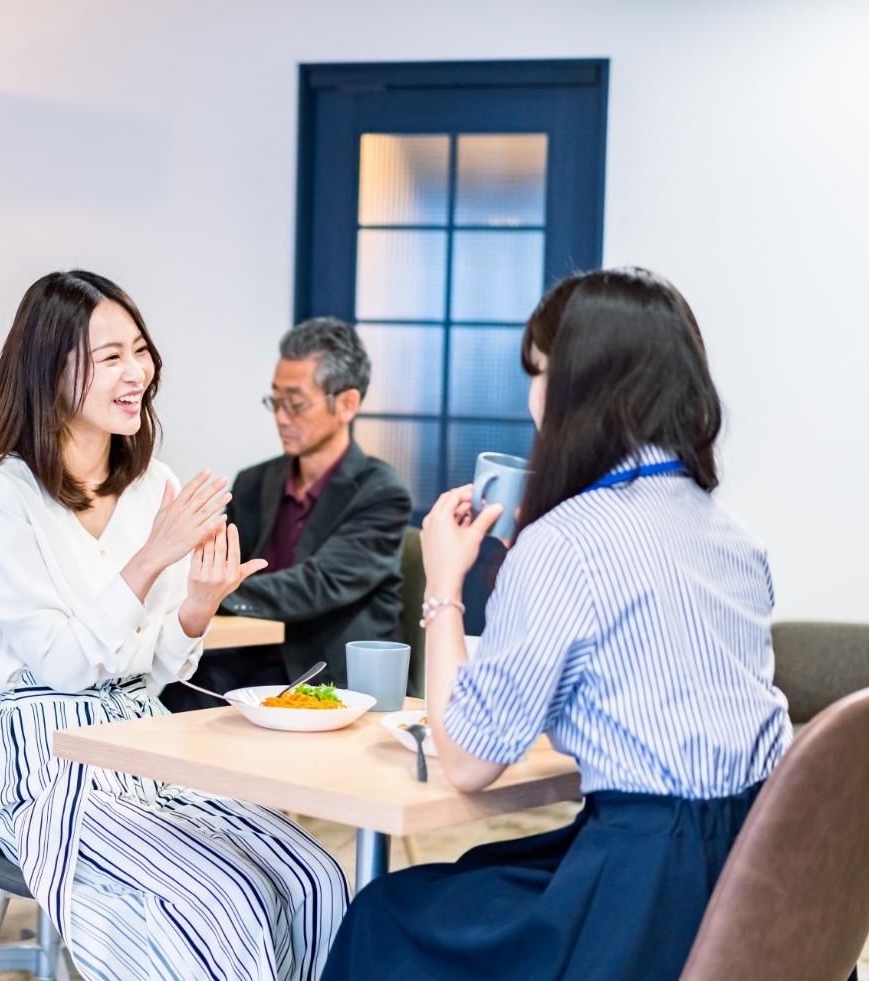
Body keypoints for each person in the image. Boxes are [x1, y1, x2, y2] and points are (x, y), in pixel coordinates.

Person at [321, 268, 794, 980]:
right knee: (475, 874)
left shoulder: (566, 540)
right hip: (760, 867)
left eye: (538, 372)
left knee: (387, 914)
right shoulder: (727, 531)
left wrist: (445, 584)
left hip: (649, 893)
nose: (532, 395)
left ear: (581, 384)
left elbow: (470, 761)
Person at [0, 270, 349, 979]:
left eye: (139, 350)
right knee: (218, 896)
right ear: (50, 371)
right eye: (110, 356)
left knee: (313, 875)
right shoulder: (2, 498)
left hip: (145, 740)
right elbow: (63, 666)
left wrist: (197, 604)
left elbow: (163, 670)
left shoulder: (155, 486)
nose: (137, 371)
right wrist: (152, 556)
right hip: (50, 755)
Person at [162, 317, 410, 712]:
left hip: (320, 675)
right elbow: (215, 559)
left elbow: (317, 584)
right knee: (164, 695)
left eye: (295, 403)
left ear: (347, 404)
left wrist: (214, 591)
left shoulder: (381, 492)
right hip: (242, 660)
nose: (280, 416)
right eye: (275, 401)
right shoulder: (255, 481)